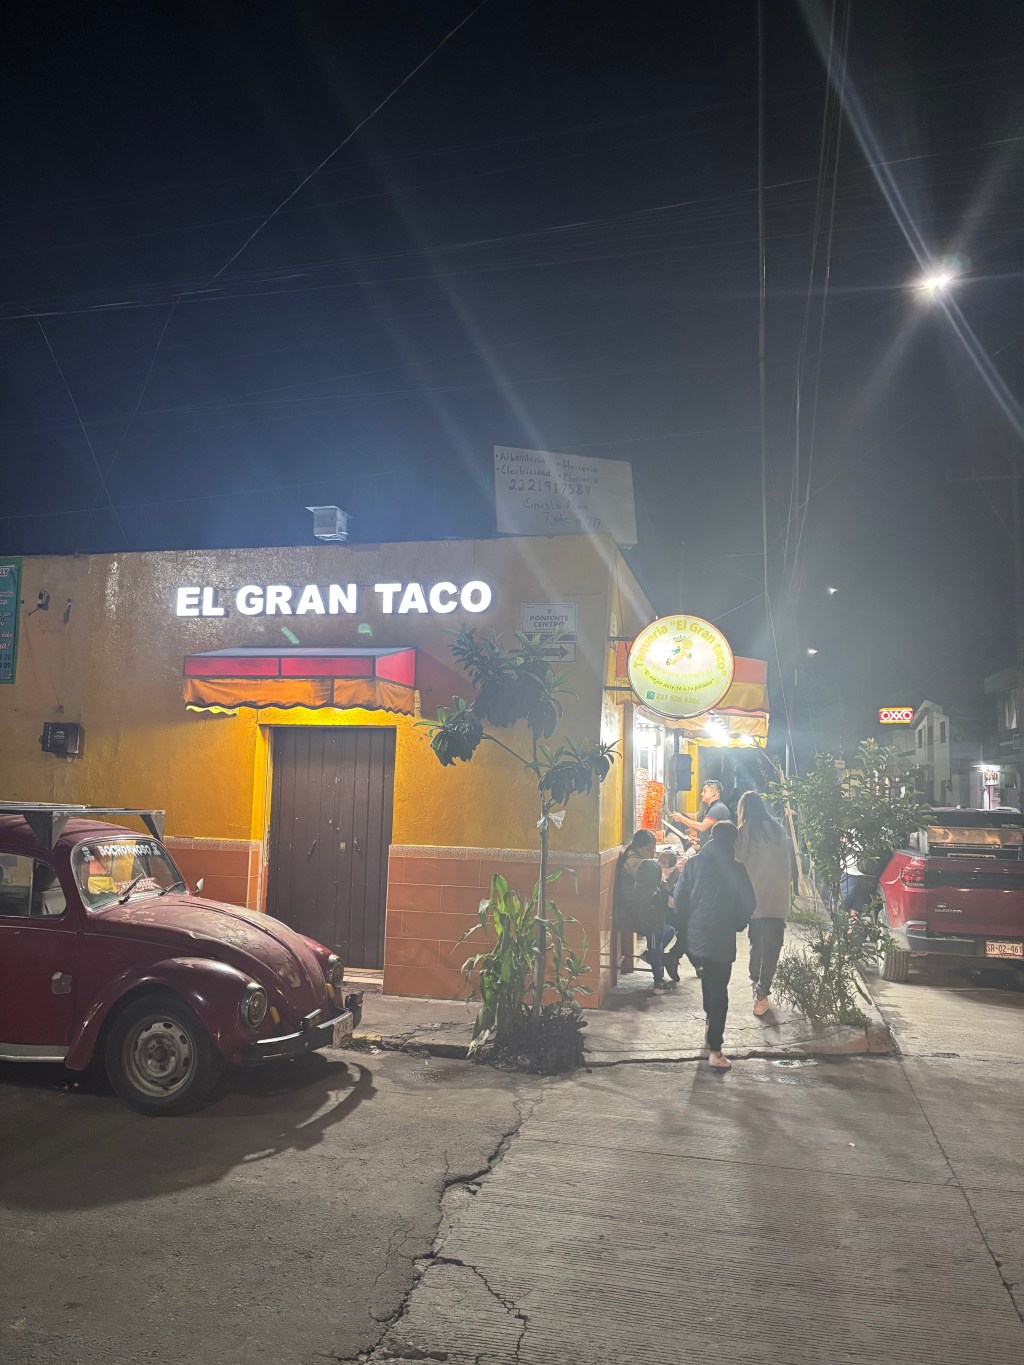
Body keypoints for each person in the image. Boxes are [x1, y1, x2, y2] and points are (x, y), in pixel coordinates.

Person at [674, 820, 755, 1071]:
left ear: (711, 836)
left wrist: (688, 923)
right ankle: (716, 1050)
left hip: (697, 937)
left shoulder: (694, 864)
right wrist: (737, 924)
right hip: (721, 937)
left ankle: (710, 1020)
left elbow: (679, 898)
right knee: (719, 988)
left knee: (709, 979)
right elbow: (749, 902)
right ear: (733, 841)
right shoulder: (736, 868)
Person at [735, 790, 794, 1018]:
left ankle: (757, 984)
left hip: (754, 897)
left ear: (743, 810)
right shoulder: (778, 831)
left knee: (756, 943)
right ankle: (762, 990)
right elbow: (788, 864)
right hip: (777, 897)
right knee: (772, 948)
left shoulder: (744, 832)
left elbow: (736, 863)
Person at [613, 830, 657, 972]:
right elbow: (654, 883)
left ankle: (656, 956)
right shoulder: (635, 863)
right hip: (633, 911)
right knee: (667, 926)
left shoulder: (637, 858)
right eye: (648, 849)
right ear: (638, 848)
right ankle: (656, 962)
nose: (653, 853)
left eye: (654, 849)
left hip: (638, 906)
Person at [667, 779, 731, 849]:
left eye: (705, 791)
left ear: (713, 793)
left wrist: (681, 818)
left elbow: (702, 827)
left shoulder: (718, 808)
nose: (701, 794)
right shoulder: (715, 807)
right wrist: (699, 840)